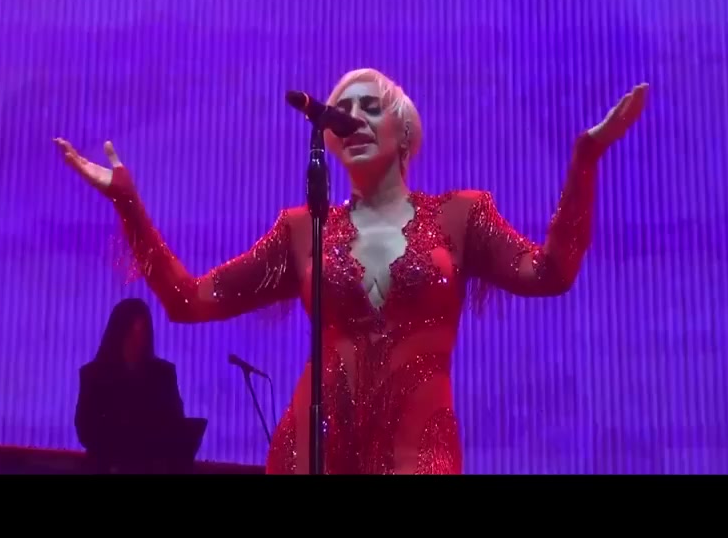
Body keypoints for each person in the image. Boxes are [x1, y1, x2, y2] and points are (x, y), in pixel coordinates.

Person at [55, 69, 648, 474]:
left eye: (371, 106)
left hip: (419, 456)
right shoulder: (302, 230)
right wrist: (127, 201)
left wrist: (585, 158)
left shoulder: (462, 217)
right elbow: (188, 300)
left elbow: (550, 273)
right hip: (312, 455)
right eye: (345, 110)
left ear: (404, 129)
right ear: (331, 142)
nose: (354, 117)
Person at [74, 297, 188, 473]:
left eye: (142, 335)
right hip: (106, 467)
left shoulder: (163, 374)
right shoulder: (94, 374)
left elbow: (176, 423)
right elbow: (85, 429)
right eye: (131, 335)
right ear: (118, 335)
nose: (138, 342)